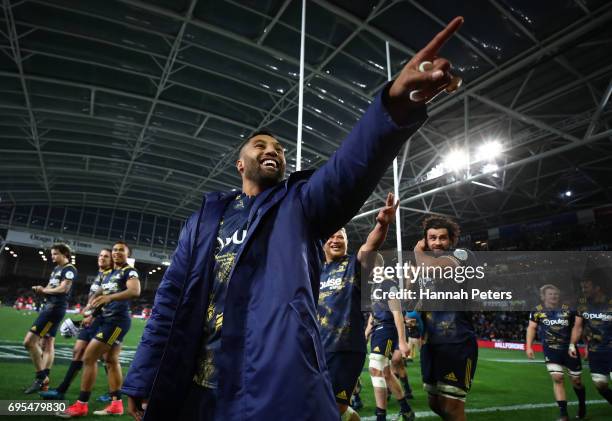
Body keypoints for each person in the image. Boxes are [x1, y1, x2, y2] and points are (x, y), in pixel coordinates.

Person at [122, 16, 464, 421]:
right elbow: (170, 301)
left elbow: (349, 170)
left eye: (280, 148)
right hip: (194, 388)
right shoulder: (204, 220)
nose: (273, 150)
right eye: (261, 145)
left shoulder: (299, 204)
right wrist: (144, 375)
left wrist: (394, 101)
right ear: (239, 163)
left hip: (266, 386)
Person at [318, 192, 398, 421]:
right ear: (323, 243)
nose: (335, 240)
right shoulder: (315, 271)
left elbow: (370, 246)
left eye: (340, 236)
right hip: (316, 348)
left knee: (334, 409)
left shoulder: (355, 264)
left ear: (346, 242)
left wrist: (382, 224)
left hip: (345, 348)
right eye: (331, 237)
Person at [61, 241, 141, 417]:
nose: (116, 253)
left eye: (121, 250)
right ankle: (116, 404)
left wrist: (109, 297)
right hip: (106, 320)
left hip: (116, 322)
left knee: (89, 357)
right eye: (114, 250)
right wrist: (91, 310)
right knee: (111, 360)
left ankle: (81, 405)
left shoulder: (129, 271)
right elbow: (100, 294)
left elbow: (135, 291)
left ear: (128, 254)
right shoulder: (111, 273)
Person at [415, 216, 477, 421]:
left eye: (442, 238)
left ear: (451, 240)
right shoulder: (425, 265)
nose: (437, 242)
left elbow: (435, 269)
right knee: (435, 403)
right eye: (432, 238)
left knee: (452, 407)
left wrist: (417, 251)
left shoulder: (461, 255)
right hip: (432, 343)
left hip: (457, 342)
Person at [40, 248, 113, 400]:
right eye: (100, 255)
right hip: (91, 319)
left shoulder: (112, 276)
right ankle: (61, 390)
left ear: (112, 260)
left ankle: (114, 393)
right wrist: (86, 312)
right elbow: (93, 299)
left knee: (108, 358)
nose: (102, 258)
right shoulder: (100, 275)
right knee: (78, 351)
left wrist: (93, 314)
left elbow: (109, 300)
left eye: (106, 256)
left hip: (106, 321)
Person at [23, 243, 77, 394]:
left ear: (64, 254)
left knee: (29, 342)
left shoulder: (69, 269)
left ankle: (41, 378)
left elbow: (64, 288)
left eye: (55, 254)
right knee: (47, 343)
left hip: (54, 310)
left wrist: (44, 290)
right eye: (52, 254)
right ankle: (44, 379)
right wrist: (42, 290)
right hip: (49, 307)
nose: (52, 256)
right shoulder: (56, 269)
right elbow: (51, 287)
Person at [526, 284, 586, 421]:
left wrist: (573, 344)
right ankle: (563, 413)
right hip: (551, 350)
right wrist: (528, 347)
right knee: (557, 378)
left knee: (576, 381)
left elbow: (577, 326)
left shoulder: (568, 309)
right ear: (543, 296)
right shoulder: (537, 311)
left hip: (569, 350)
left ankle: (582, 404)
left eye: (556, 294)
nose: (554, 296)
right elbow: (531, 328)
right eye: (550, 294)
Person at [366, 268, 414, 421]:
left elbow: (397, 312)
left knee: (375, 368)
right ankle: (406, 410)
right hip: (377, 329)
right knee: (386, 373)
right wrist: (366, 332)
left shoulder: (388, 284)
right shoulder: (374, 286)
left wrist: (402, 340)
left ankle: (381, 416)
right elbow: (373, 314)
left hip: (387, 328)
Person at [569, 269, 612, 408]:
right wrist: (572, 344)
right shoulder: (582, 303)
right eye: (582, 287)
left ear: (597, 287)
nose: (583, 289)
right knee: (600, 385)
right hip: (596, 351)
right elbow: (578, 326)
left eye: (586, 287)